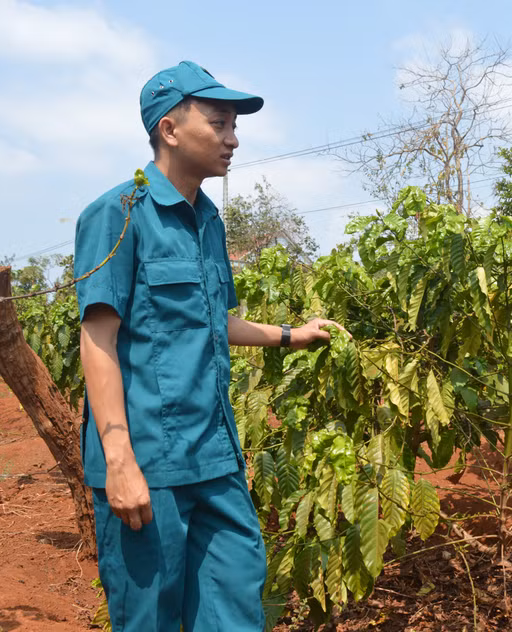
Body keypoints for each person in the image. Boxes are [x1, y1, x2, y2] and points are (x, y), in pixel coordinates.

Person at [74, 61, 345, 631]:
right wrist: (119, 459)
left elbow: (216, 322)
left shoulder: (209, 220)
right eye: (219, 123)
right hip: (149, 462)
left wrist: (294, 335)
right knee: (148, 618)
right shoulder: (117, 214)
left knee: (235, 611)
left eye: (233, 126)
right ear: (170, 130)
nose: (233, 138)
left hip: (214, 457)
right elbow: (97, 338)